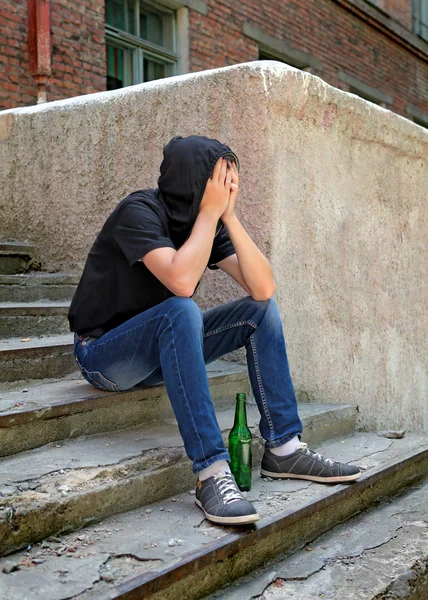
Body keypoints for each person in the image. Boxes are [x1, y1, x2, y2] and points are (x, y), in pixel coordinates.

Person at [69, 135, 361, 526]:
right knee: (180, 309)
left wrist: (229, 217)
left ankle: (285, 448)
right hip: (103, 355)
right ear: (194, 181)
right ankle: (211, 473)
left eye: (232, 182)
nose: (227, 189)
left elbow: (263, 288)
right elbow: (181, 282)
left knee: (259, 311)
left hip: (159, 351)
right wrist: (209, 215)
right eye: (221, 181)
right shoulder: (138, 211)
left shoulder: (203, 224)